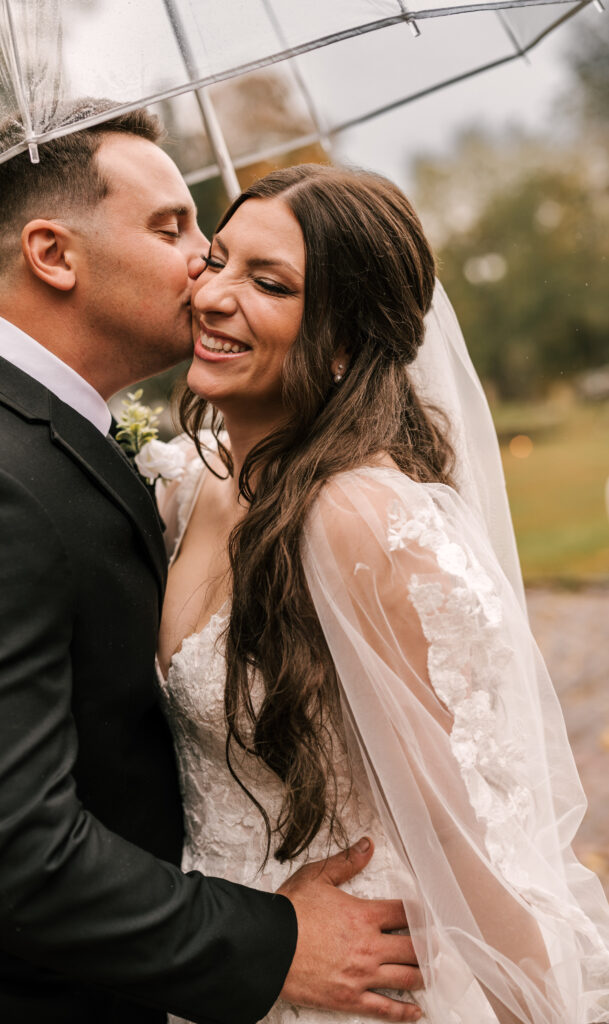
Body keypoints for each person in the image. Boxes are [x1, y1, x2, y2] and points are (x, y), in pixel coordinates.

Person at [0, 109, 424, 1024]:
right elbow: (4, 847)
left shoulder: (53, 442)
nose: (204, 261)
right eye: (173, 227)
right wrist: (275, 946)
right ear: (53, 253)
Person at [154, 164, 609, 1024]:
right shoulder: (186, 489)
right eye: (216, 259)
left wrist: (540, 1008)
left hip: (362, 978)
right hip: (239, 962)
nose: (214, 295)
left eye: (269, 282)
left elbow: (457, 830)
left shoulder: (355, 520)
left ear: (340, 344)